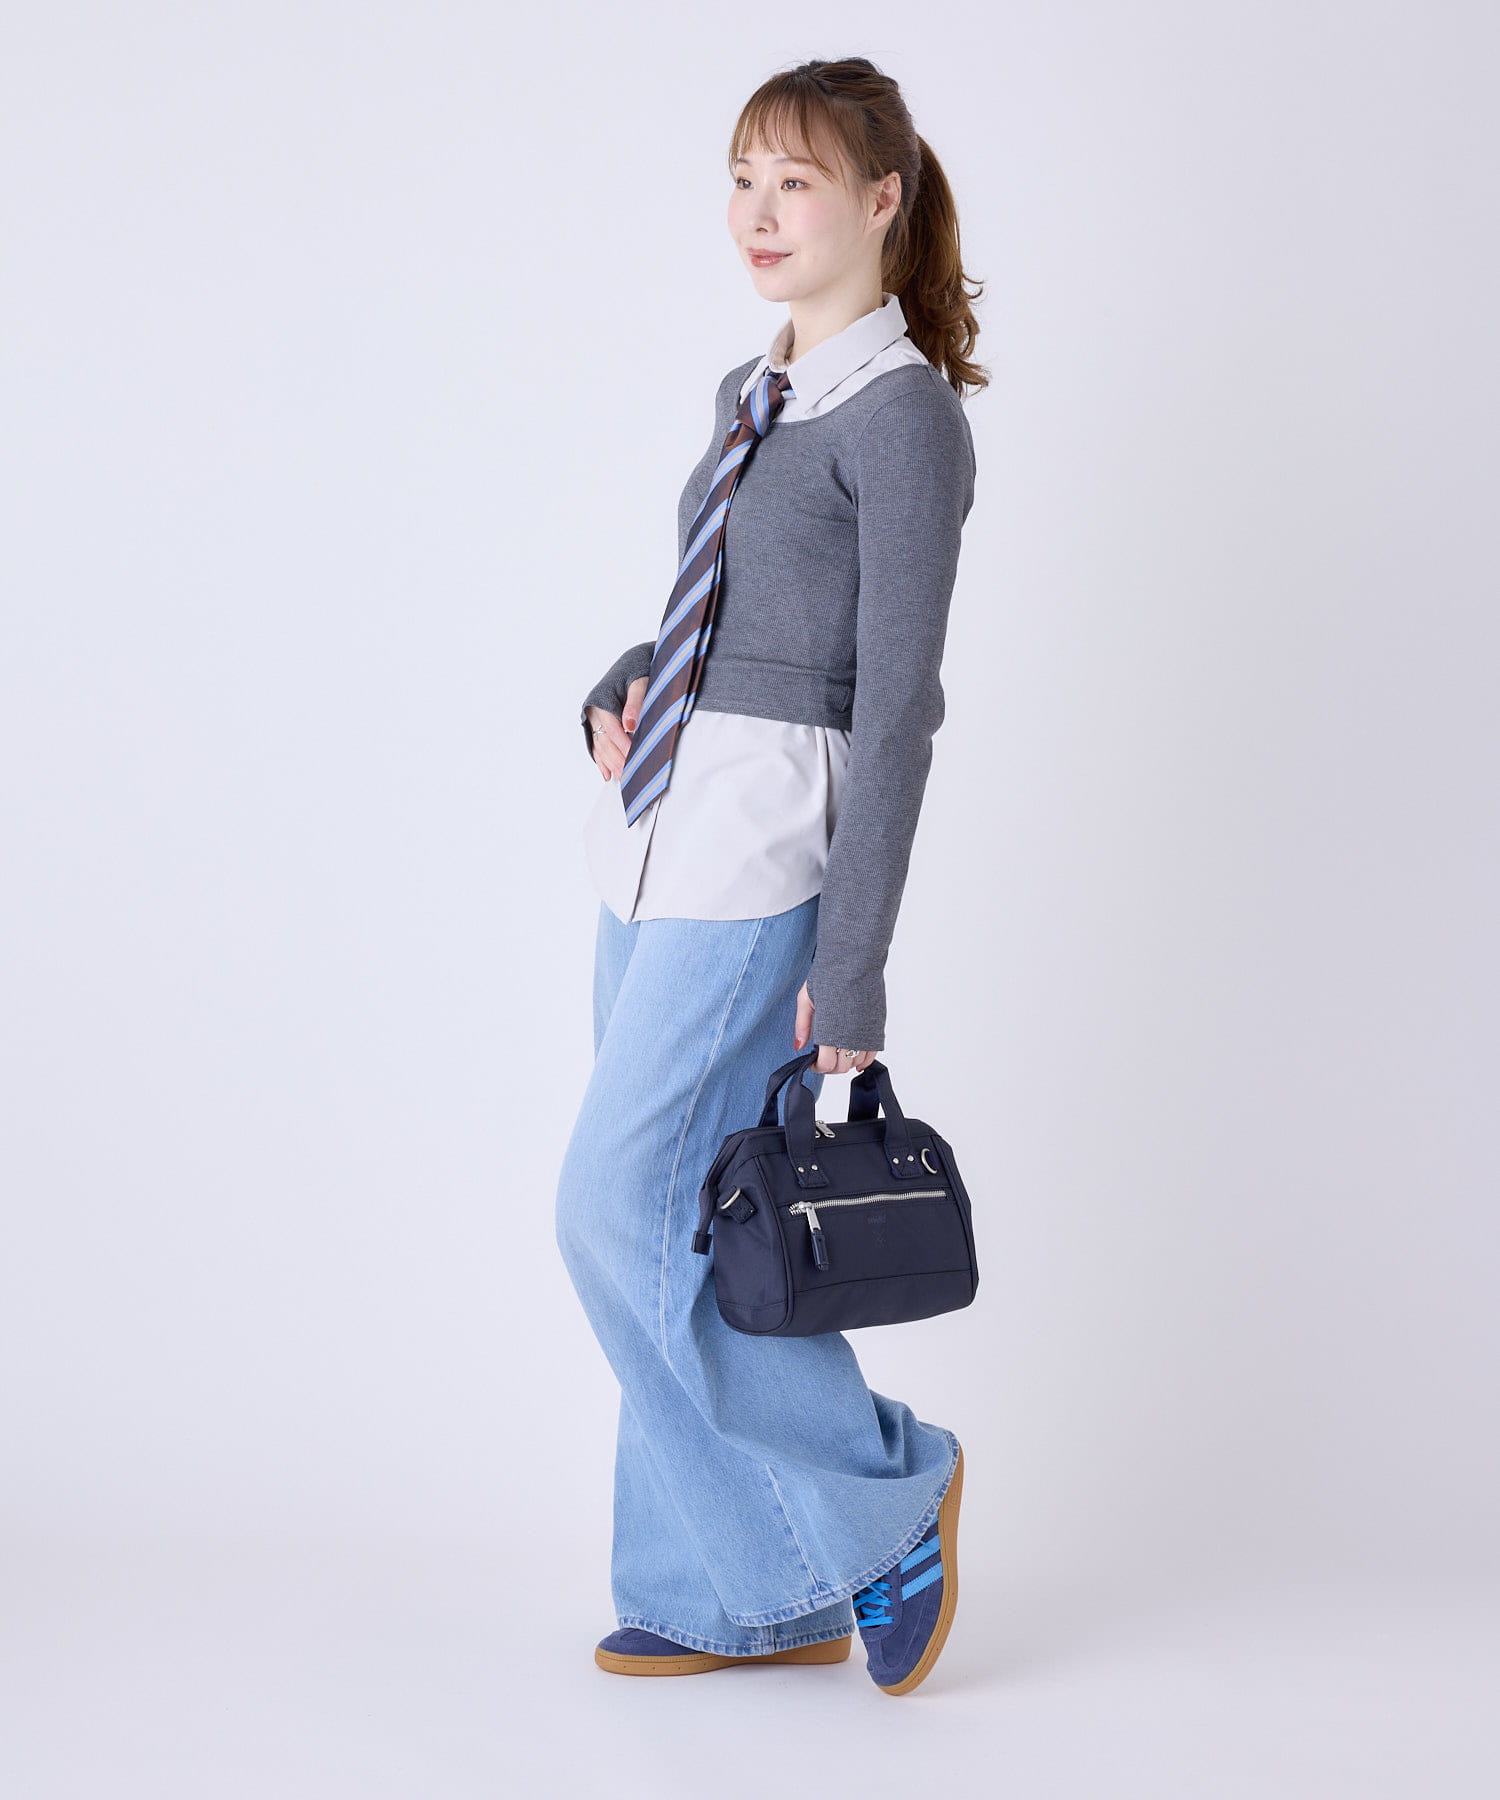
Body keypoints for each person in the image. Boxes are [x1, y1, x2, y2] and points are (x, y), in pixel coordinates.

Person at [554, 56, 987, 1695]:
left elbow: (894, 705)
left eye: (793, 180)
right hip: (656, 834)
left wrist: (853, 965)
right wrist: (623, 679)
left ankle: (888, 1497)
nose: (757, 211)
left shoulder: (904, 420)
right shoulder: (755, 390)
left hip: (758, 859)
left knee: (612, 1209)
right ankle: (725, 1588)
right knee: (671, 1223)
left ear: (882, 198)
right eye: (742, 178)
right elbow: (725, 616)